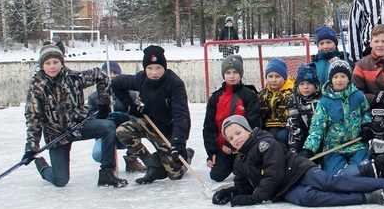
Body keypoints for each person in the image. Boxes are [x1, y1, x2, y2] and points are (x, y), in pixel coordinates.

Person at [211, 115, 384, 207]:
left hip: (298, 171)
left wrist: (255, 198)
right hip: (284, 189)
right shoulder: (239, 162)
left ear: (248, 130)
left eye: (238, 132)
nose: (236, 138)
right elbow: (244, 185)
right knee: (308, 199)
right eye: (231, 138)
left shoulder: (264, 144)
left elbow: (274, 174)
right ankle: (367, 197)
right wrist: (230, 192)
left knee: (329, 183)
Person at [23, 43, 127, 188]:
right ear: (42, 65)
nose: (52, 66)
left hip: (79, 126)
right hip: (57, 135)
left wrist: (103, 105)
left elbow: (101, 75)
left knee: (108, 126)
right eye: (48, 63)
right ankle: (43, 167)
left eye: (55, 62)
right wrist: (31, 148)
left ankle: (106, 173)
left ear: (61, 62)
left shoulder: (73, 78)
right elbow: (33, 118)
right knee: (61, 181)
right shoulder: (37, 88)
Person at [112, 45, 193, 185]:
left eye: (158, 68)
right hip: (149, 122)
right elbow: (116, 83)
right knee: (122, 131)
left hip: (168, 129)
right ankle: (153, 163)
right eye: (149, 68)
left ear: (165, 68)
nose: (154, 72)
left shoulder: (175, 83)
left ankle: (186, 155)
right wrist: (132, 107)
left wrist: (179, 140)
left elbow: (181, 114)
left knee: (174, 174)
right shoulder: (140, 79)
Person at [301, 59, 371, 175]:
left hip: (357, 145)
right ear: (331, 79)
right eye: (336, 77)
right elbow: (317, 128)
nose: (339, 80)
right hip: (334, 148)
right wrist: (309, 149)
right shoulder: (324, 103)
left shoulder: (358, 96)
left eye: (343, 76)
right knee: (334, 176)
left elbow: (366, 113)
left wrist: (366, 126)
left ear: (349, 78)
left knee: (361, 171)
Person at [203, 54, 261, 182]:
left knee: (245, 175)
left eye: (235, 72)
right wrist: (211, 152)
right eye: (228, 72)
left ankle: (242, 164)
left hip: (244, 145)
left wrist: (232, 142)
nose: (232, 75)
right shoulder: (215, 98)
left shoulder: (249, 95)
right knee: (216, 175)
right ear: (223, 75)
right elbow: (208, 127)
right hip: (223, 146)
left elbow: (254, 123)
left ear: (241, 74)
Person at [87, 60, 145, 172]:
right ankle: (110, 163)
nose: (112, 75)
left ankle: (132, 160)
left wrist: (125, 117)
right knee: (98, 154)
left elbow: (139, 117)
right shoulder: (93, 97)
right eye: (108, 73)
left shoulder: (131, 94)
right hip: (105, 135)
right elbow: (90, 120)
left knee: (138, 127)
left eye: (115, 73)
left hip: (126, 133)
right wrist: (102, 119)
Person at [286, 62, 323, 155]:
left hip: (321, 136)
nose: (305, 87)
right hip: (303, 135)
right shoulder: (294, 99)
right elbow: (294, 125)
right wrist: (294, 152)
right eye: (302, 84)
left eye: (309, 83)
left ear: (315, 84)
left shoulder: (323, 98)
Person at [258, 58, 294, 147]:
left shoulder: (291, 93)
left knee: (279, 136)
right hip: (267, 126)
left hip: (285, 127)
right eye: (270, 76)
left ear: (284, 78)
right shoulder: (262, 94)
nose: (273, 80)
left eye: (277, 76)